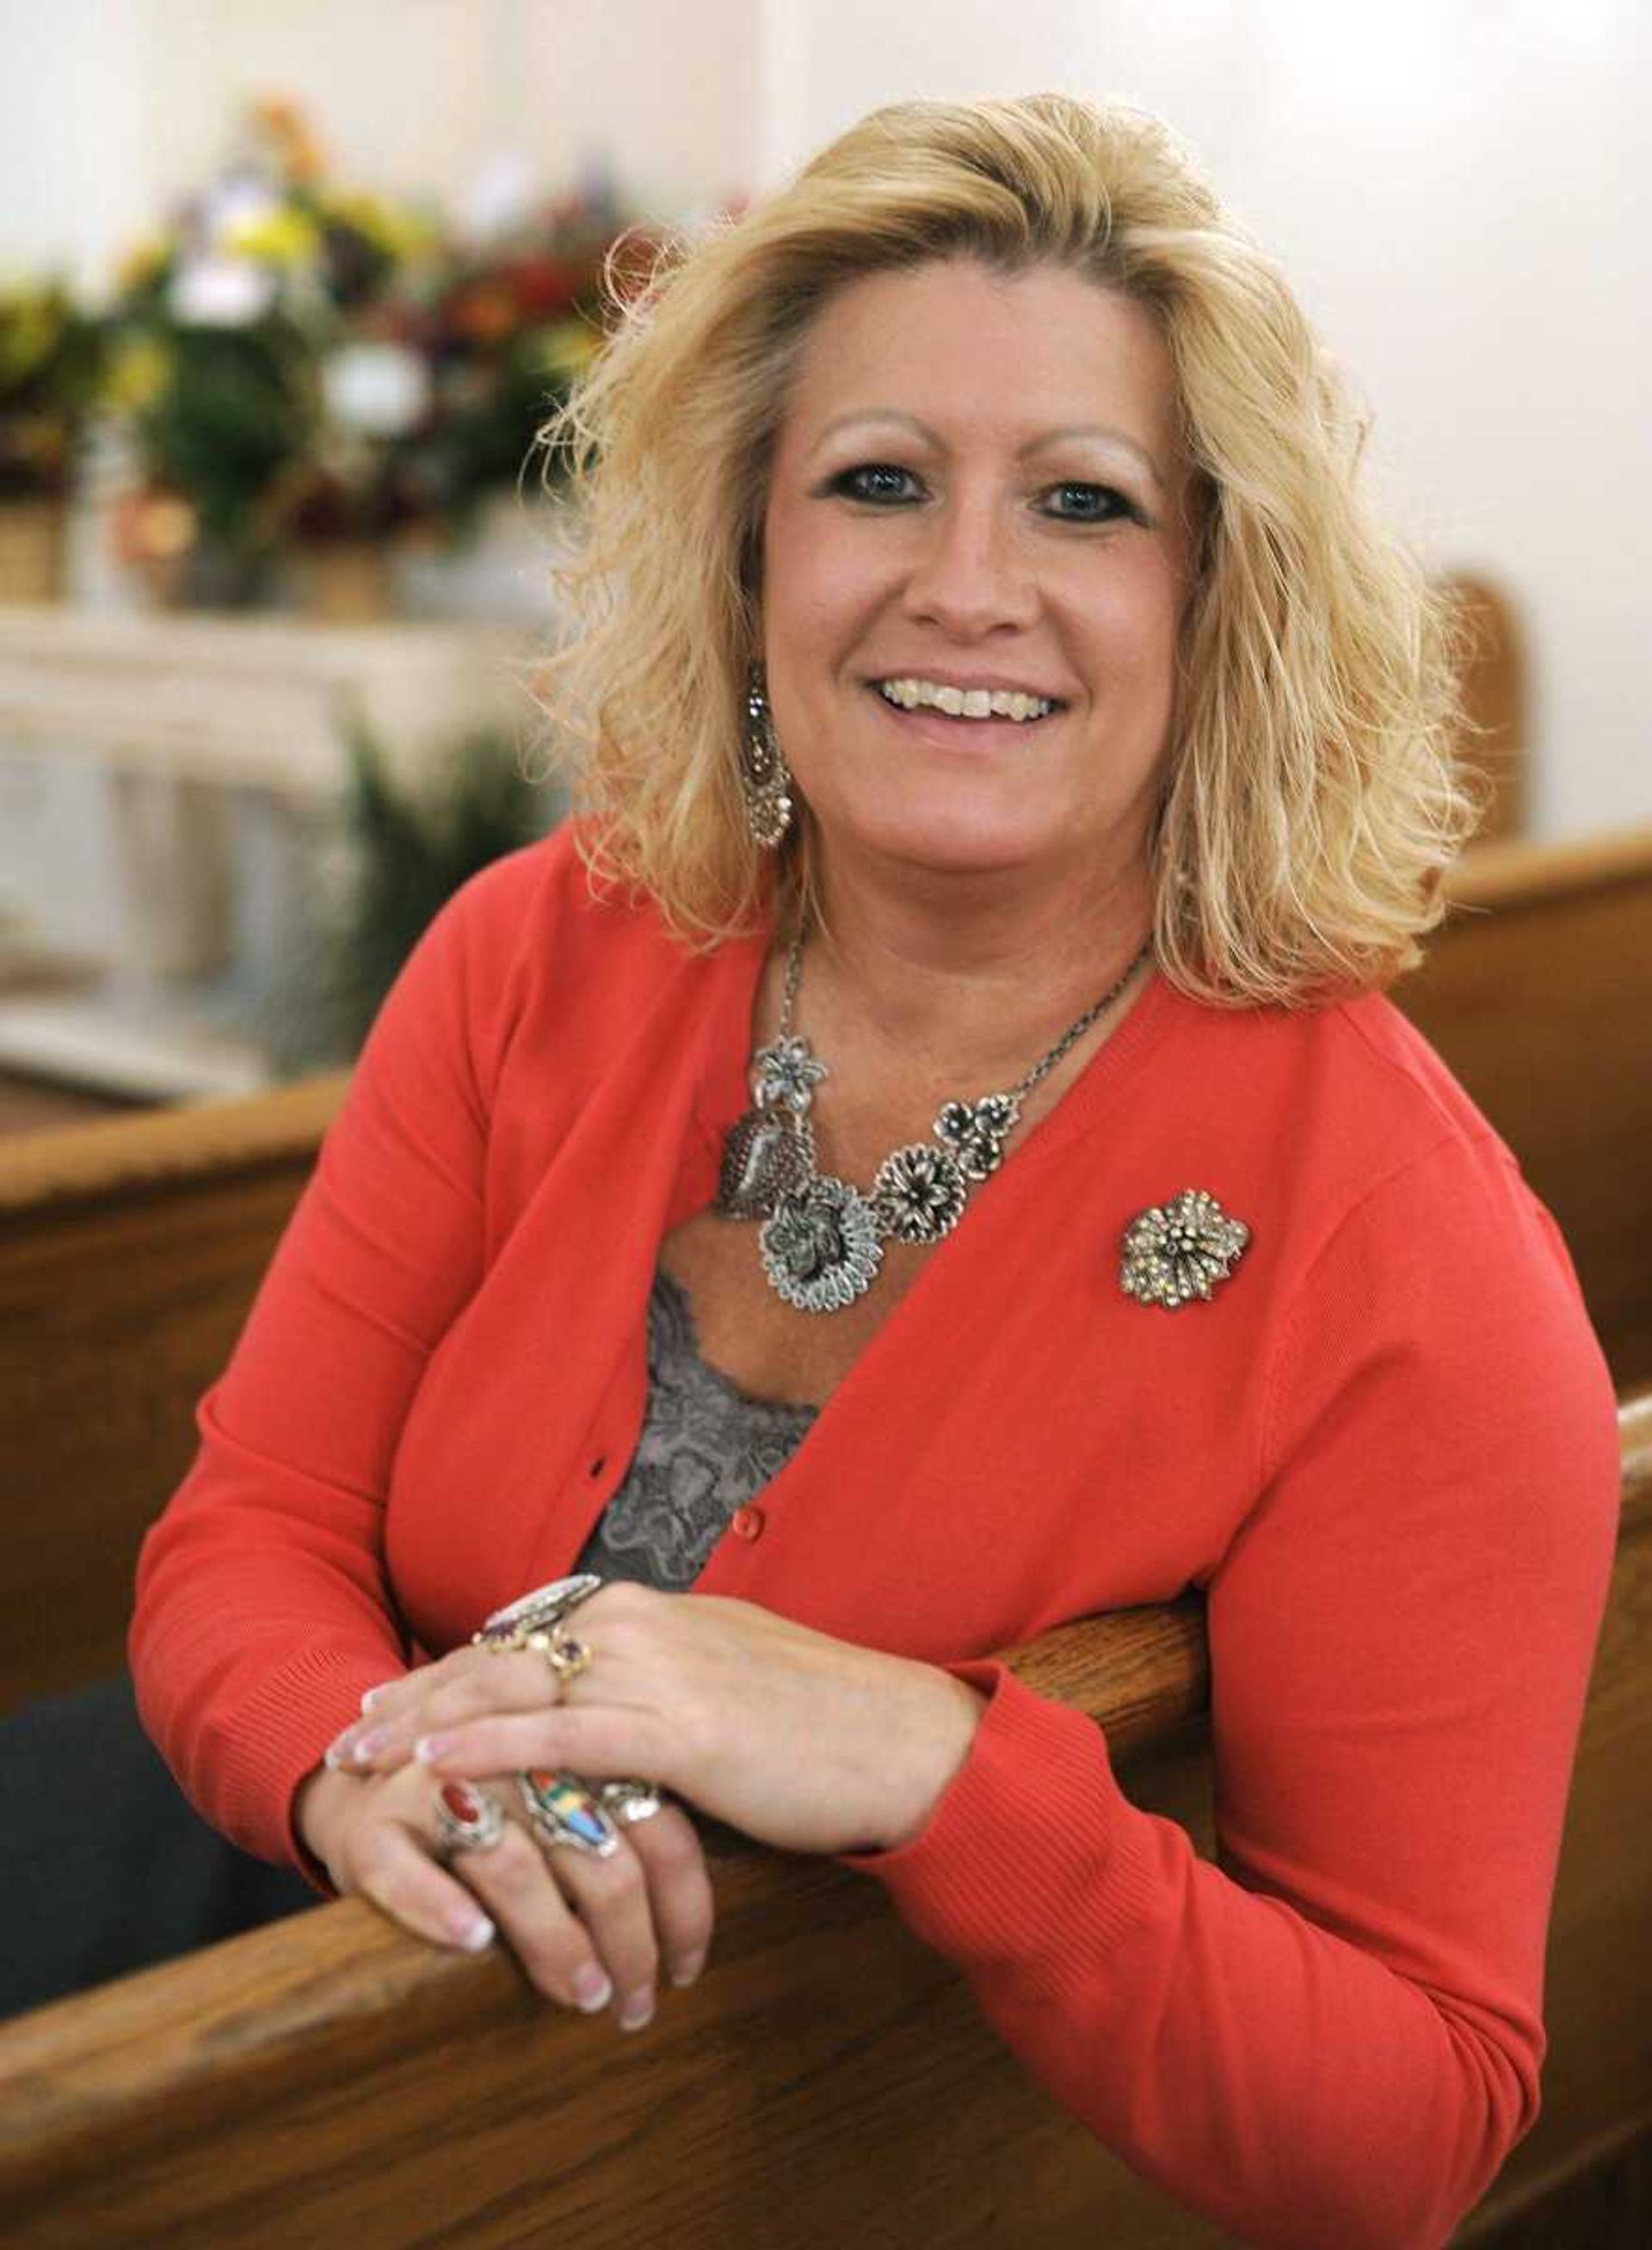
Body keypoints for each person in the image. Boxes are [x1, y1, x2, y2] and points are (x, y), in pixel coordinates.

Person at [127, 94, 1619, 2248]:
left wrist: (930, 1765)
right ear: (749, 556)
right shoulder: (536, 953)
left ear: (1223, 598)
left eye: (1083, 503)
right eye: (877, 482)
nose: (965, 585)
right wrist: (344, 1761)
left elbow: (1415, 2124)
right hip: (364, 2092)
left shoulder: (1403, 1243)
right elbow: (244, 1531)